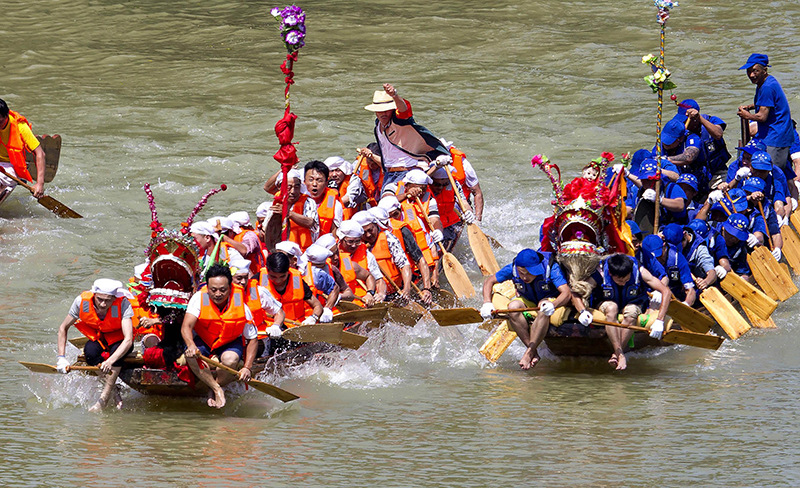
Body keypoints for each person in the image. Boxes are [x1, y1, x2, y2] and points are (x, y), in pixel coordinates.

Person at [480, 249, 589, 370]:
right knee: (513, 307)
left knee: (543, 305)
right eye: (522, 273)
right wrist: (487, 303)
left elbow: (566, 293)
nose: (525, 277)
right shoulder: (512, 268)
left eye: (529, 273)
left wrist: (553, 305)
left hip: (549, 301)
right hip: (529, 300)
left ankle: (529, 352)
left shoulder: (551, 268)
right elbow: (489, 281)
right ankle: (532, 351)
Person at [180, 264, 259, 409]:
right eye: (213, 290)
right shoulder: (198, 298)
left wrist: (247, 367)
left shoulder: (241, 303)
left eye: (223, 290)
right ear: (207, 287)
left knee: (231, 360)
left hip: (229, 341)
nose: (218, 294)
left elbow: (252, 339)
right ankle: (217, 389)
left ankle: (212, 387)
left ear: (230, 287)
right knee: (190, 356)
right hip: (204, 340)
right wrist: (191, 345)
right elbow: (186, 326)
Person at [55, 279, 135, 412]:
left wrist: (110, 361)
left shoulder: (123, 304)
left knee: (117, 353)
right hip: (100, 338)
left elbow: (128, 340)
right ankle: (114, 389)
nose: (103, 304)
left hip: (119, 340)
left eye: (108, 300)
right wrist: (61, 358)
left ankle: (103, 400)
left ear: (114, 298)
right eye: (100, 299)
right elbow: (63, 328)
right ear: (94, 296)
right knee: (90, 352)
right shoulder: (81, 302)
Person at [588, 253, 671, 370]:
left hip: (634, 303)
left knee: (631, 312)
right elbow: (579, 291)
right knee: (612, 308)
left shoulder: (639, 270)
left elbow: (666, 292)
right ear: (611, 274)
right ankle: (621, 354)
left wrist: (660, 320)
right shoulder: (600, 272)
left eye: (627, 280)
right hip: (607, 303)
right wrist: (582, 311)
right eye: (619, 281)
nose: (624, 283)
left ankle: (616, 354)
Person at [364, 83, 449, 189]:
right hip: (389, 174)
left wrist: (395, 96)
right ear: (375, 112)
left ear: (392, 109)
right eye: (380, 111)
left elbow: (404, 110)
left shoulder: (399, 121)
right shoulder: (378, 127)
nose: (383, 114)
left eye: (386, 110)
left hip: (407, 172)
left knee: (392, 201)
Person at [737, 53, 794, 169]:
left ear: (764, 70)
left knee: (770, 171)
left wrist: (746, 115)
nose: (751, 75)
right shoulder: (767, 82)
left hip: (775, 138)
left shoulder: (767, 87)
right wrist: (751, 106)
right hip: (777, 134)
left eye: (755, 71)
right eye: (748, 71)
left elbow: (762, 117)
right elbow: (768, 102)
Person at [674, 99, 731, 188]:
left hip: (717, 172)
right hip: (695, 174)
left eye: (686, 120)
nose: (684, 123)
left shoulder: (711, 120)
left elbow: (718, 134)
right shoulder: (681, 130)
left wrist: (699, 118)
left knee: (725, 187)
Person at [0, 98, 45, 204]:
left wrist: (40, 184)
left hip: (11, 166)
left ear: (6, 116)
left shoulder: (20, 127)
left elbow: (40, 153)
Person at [264, 169, 319, 251]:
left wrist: (288, 213)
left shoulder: (308, 202)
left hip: (303, 254)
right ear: (280, 187)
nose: (293, 191)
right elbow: (267, 229)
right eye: (289, 187)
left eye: (297, 187)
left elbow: (311, 223)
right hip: (280, 253)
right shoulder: (277, 203)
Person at [439, 137, 486, 221]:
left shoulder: (462, 162)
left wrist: (477, 220)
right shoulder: (427, 162)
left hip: (460, 202)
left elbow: (477, 192)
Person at [303, 160, 343, 236]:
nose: (314, 184)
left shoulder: (334, 204)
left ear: (326, 183)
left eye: (319, 180)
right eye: (311, 180)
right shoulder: (296, 200)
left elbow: (334, 235)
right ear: (304, 181)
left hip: (323, 245)